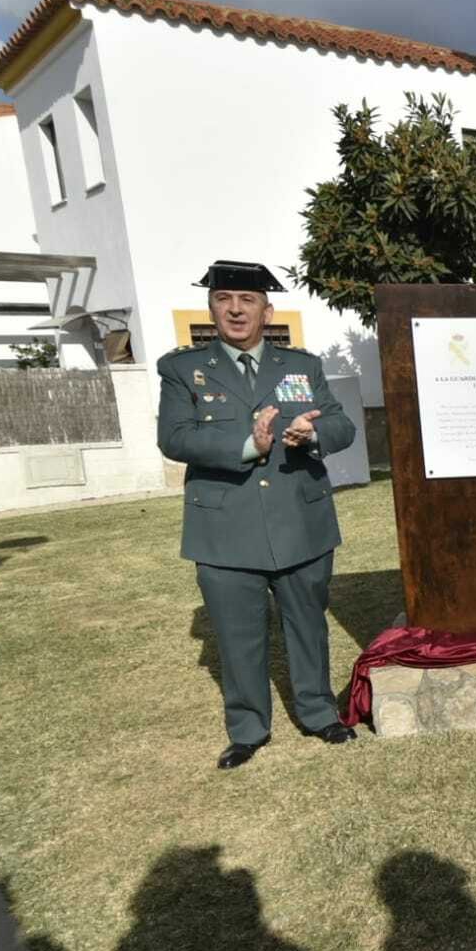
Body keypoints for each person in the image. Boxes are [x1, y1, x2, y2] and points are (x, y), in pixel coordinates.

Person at [158, 260, 358, 769]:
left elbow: (342, 425)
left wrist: (312, 434)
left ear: (267, 312)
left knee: (307, 624)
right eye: (224, 299)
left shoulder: (302, 366)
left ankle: (319, 713)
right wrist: (250, 445)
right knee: (237, 634)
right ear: (211, 309)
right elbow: (174, 438)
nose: (235, 309)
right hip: (225, 528)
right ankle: (248, 729)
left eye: (247, 300)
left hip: (300, 520)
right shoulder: (183, 369)